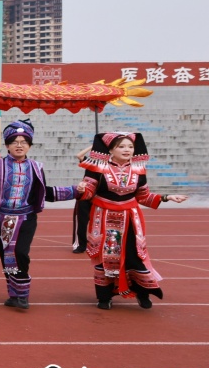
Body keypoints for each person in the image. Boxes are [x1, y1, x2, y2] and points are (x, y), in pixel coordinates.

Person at [0, 120, 76, 310]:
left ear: (29, 145)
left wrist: (75, 191)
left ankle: (22, 295)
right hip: (2, 218)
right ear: (7, 145)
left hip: (26, 217)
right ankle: (14, 294)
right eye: (14, 142)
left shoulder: (36, 167)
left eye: (24, 142)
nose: (19, 145)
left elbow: (44, 192)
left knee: (21, 253)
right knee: (7, 256)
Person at [75, 131, 187, 310]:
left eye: (130, 146)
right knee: (107, 257)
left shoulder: (138, 169)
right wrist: (82, 189)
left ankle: (142, 293)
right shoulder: (97, 168)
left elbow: (143, 196)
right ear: (110, 150)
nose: (127, 150)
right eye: (121, 146)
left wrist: (167, 197)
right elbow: (88, 193)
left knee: (134, 256)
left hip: (131, 220)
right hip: (104, 219)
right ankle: (104, 297)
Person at [72, 146, 92, 253]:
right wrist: (93, 145)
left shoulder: (110, 165)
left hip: (100, 197)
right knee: (81, 222)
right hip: (85, 195)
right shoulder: (92, 163)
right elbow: (79, 155)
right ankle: (80, 245)